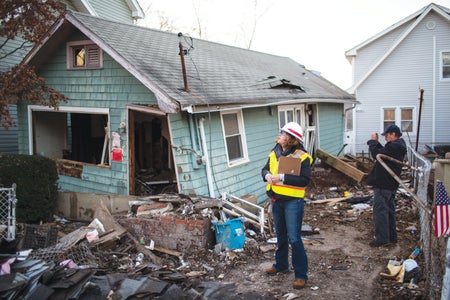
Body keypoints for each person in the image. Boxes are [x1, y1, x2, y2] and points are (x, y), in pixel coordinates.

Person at [261, 122, 313, 289]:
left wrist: (283, 177)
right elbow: (264, 169)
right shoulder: (275, 150)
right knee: (281, 236)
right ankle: (281, 265)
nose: (280, 135)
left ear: (291, 139)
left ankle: (301, 275)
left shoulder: (302, 156)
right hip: (276, 199)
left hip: (293, 202)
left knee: (294, 239)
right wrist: (268, 175)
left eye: (283, 133)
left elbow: (305, 180)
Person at [366, 124, 407, 247]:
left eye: (387, 135)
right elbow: (382, 152)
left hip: (384, 185)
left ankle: (382, 240)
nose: (386, 138)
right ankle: (391, 237)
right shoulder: (397, 146)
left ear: (394, 134)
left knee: (380, 212)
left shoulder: (395, 147)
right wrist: (377, 143)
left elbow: (376, 155)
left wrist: (372, 142)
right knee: (388, 211)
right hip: (389, 184)